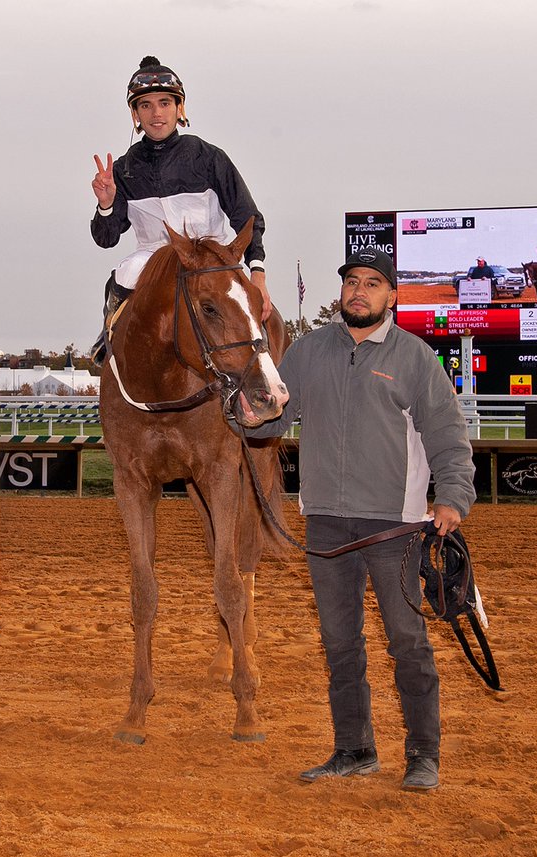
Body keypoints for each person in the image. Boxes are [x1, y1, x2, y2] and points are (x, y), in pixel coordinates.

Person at [243, 249, 475, 792]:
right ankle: (354, 748)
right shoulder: (307, 353)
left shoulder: (416, 358)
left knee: (407, 641)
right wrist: (247, 408)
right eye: (351, 281)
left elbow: (448, 436)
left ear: (391, 296)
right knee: (340, 642)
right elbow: (264, 422)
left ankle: (423, 754)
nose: (359, 291)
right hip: (326, 525)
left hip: (393, 526)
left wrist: (452, 500)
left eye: (372, 283)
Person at [88, 55, 272, 363]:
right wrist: (106, 203)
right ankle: (110, 337)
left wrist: (258, 273)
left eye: (164, 103)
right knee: (124, 271)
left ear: (179, 108)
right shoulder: (123, 169)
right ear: (135, 113)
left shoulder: (209, 157)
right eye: (145, 105)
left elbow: (247, 217)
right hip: (153, 258)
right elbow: (106, 238)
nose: (156, 113)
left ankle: (260, 361)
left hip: (211, 257)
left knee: (242, 305)